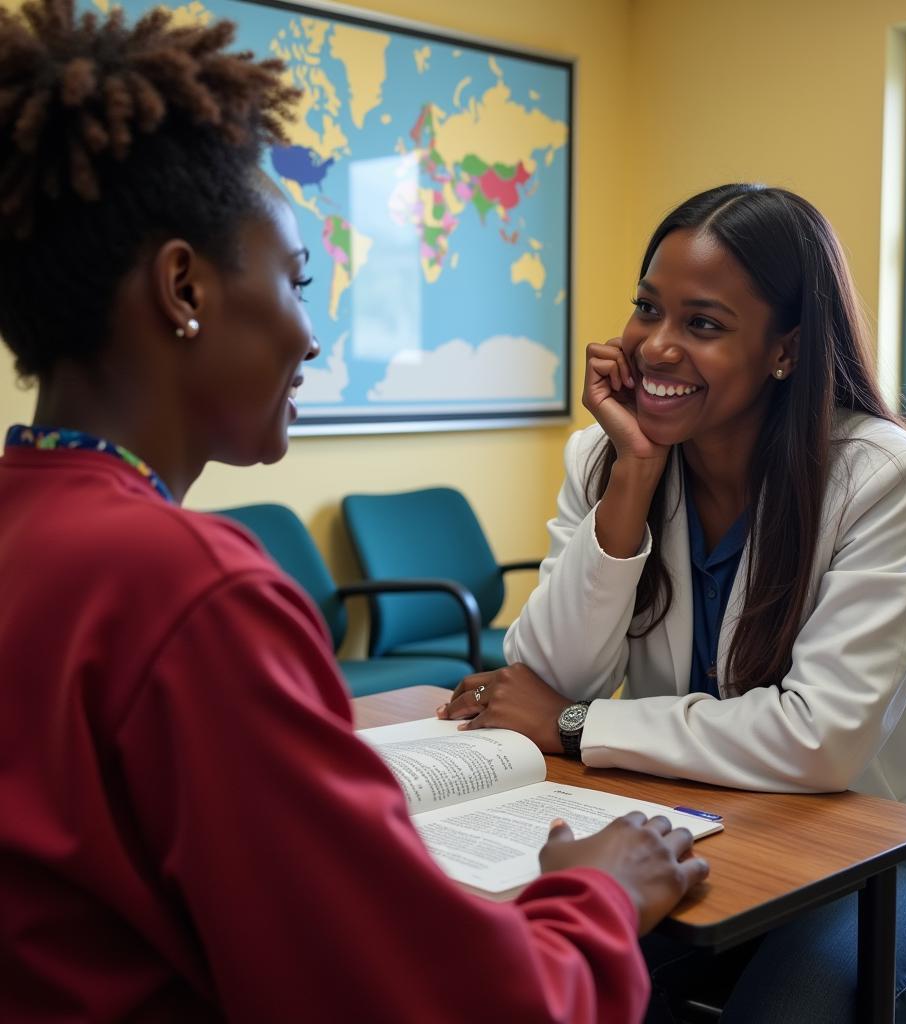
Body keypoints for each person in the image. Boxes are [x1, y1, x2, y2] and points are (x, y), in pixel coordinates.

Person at [0, 2, 710, 1021]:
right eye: (295, 279)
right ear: (183, 287)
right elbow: (448, 1002)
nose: (313, 337)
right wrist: (602, 886)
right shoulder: (190, 591)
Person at [438, 184, 906, 1022]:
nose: (657, 347)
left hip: (892, 850)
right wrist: (630, 477)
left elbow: (822, 742)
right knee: (527, 976)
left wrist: (577, 724)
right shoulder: (606, 453)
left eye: (702, 324)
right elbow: (548, 675)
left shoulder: (880, 475)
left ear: (786, 349)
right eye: (646, 309)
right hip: (702, 823)